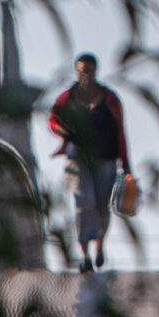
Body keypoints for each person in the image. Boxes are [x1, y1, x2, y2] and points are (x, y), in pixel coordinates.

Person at [48, 53, 131, 271]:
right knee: (84, 204)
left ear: (96, 72)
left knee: (102, 207)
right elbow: (53, 120)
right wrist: (61, 130)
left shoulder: (110, 99)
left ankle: (99, 245)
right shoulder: (68, 97)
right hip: (77, 160)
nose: (86, 75)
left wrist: (126, 165)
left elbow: (120, 132)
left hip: (105, 159)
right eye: (82, 71)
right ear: (76, 72)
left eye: (90, 71)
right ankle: (85, 257)